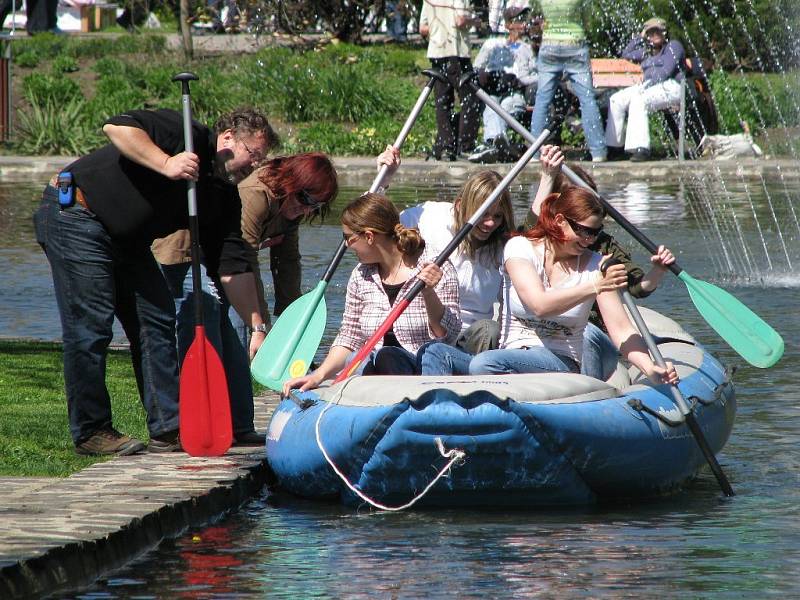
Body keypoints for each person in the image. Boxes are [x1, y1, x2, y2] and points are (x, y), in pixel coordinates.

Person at [33, 107, 272, 456]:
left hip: (126, 238)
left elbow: (233, 267)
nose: (254, 166)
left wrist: (257, 327)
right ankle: (91, 430)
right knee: (91, 327)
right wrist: (166, 163)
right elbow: (116, 126)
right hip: (75, 214)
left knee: (156, 317)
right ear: (228, 138)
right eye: (252, 155)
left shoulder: (221, 196)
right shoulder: (184, 132)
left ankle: (168, 428)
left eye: (261, 160)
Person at [467, 186, 678, 385]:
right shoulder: (520, 247)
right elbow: (539, 305)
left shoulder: (599, 266)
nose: (589, 240)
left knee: (483, 363)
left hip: (560, 360)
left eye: (595, 232)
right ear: (560, 220)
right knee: (440, 353)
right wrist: (593, 286)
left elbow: (621, 329)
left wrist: (650, 367)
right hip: (512, 355)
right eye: (584, 231)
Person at [521, 144, 676, 379]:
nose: (588, 237)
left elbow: (637, 286)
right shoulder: (535, 245)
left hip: (591, 332)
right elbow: (528, 232)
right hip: (542, 337)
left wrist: (657, 270)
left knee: (589, 333)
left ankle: (588, 390)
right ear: (561, 214)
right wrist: (547, 176)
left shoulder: (603, 247)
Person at [282, 192, 462, 394]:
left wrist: (429, 293)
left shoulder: (434, 265)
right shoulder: (360, 275)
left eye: (348, 238)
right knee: (368, 357)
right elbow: (350, 337)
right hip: (379, 369)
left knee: (392, 355)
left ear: (369, 236)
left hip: (425, 368)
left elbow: (448, 336)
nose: (347, 245)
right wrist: (318, 375)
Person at [372, 146, 514, 354]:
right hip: (427, 330)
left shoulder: (504, 247)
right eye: (483, 214)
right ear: (459, 206)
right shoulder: (432, 217)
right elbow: (378, 228)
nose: (491, 223)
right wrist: (383, 181)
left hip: (471, 341)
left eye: (498, 216)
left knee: (490, 329)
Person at [529, 0, 606, 162]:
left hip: (549, 44)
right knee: (587, 99)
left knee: (542, 99)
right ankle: (598, 152)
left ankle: (535, 153)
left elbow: (536, 15)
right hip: (575, 43)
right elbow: (588, 22)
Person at [605, 17, 686, 162]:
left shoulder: (674, 46)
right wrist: (639, 37)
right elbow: (625, 55)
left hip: (672, 86)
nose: (654, 35)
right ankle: (614, 147)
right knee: (616, 100)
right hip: (649, 86)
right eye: (650, 32)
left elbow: (666, 71)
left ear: (665, 32)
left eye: (658, 31)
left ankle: (641, 148)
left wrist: (644, 87)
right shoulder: (645, 52)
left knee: (639, 100)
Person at [469, 6, 538, 164]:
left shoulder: (527, 47)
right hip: (493, 89)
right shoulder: (493, 44)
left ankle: (493, 144)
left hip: (515, 93)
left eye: (523, 20)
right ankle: (499, 144)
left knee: (506, 107)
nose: (523, 24)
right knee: (491, 107)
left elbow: (535, 75)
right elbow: (477, 68)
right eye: (518, 21)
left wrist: (520, 81)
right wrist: (490, 77)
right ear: (508, 25)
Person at [419, 0, 482, 161]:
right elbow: (460, 20)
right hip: (456, 52)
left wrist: (438, 29)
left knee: (443, 103)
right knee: (470, 99)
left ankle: (446, 147)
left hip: (436, 51)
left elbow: (423, 29)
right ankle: (465, 146)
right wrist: (475, 20)